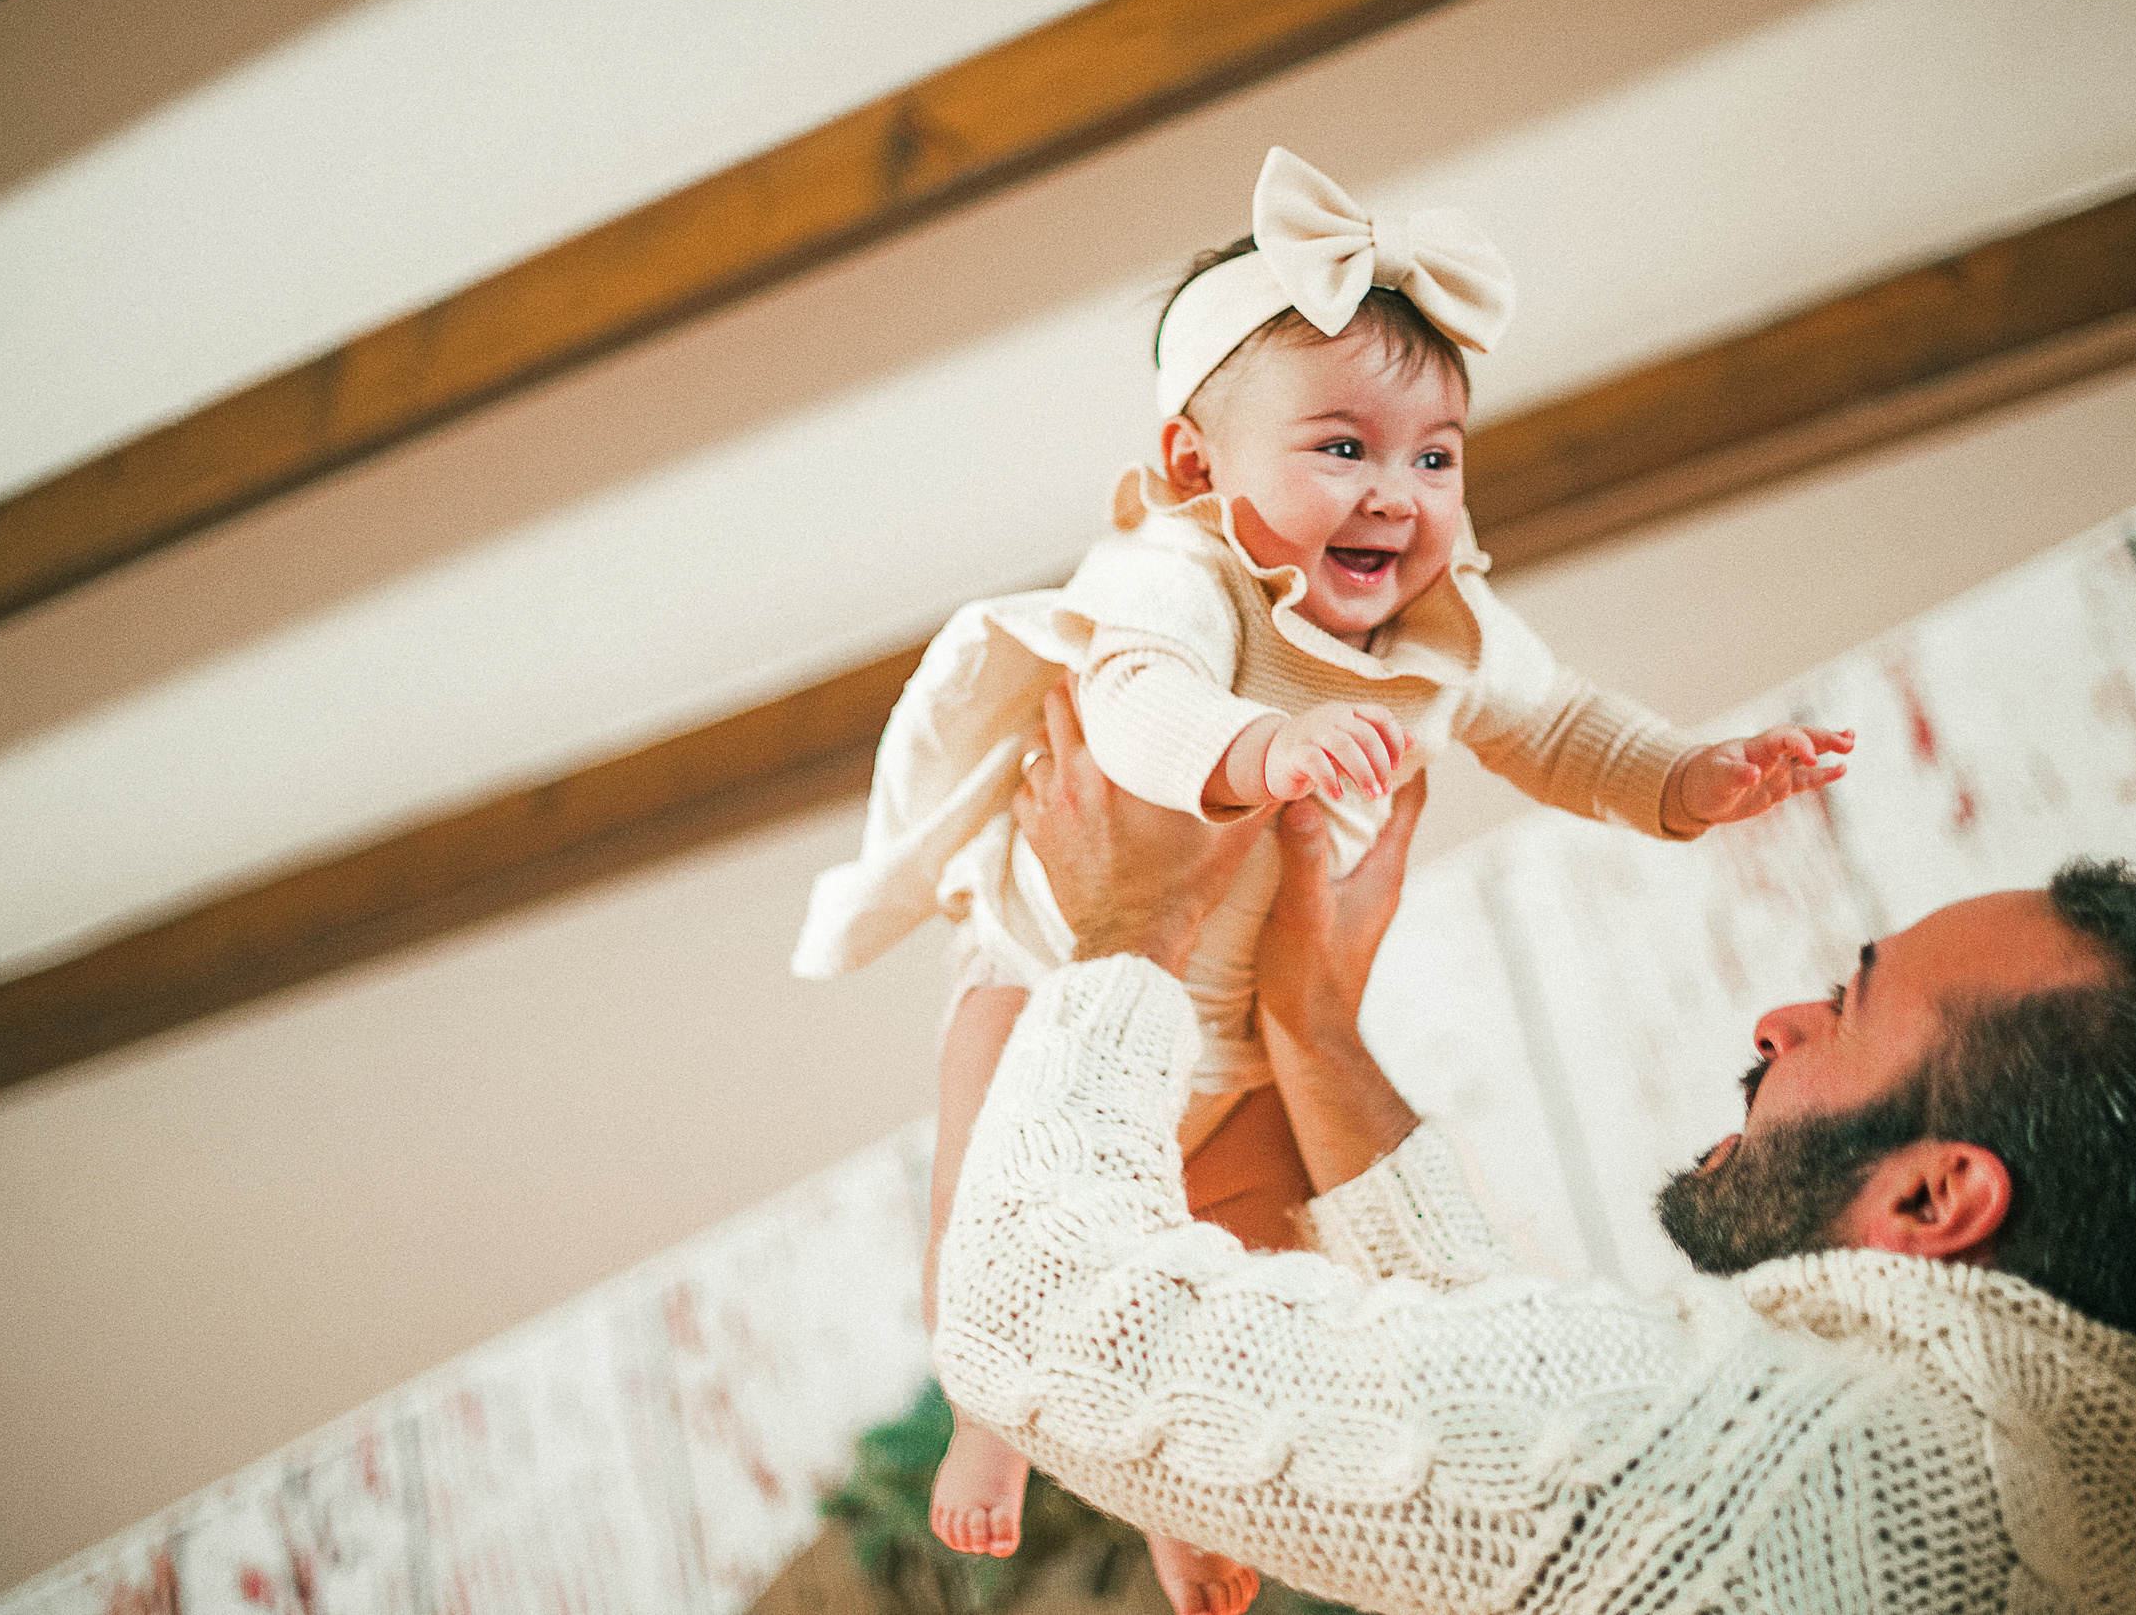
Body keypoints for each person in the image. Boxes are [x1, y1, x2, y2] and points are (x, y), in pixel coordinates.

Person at [791, 147, 1848, 1605]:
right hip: (1057, 974)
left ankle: (1192, 1502)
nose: (1397, 496)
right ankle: (990, 1420)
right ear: (1191, 466)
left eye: (1434, 455)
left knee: (1260, 1240)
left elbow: (1557, 726)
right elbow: (1133, 702)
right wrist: (1258, 746)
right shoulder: (1177, 576)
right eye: (1342, 447)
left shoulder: (1447, 626)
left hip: (1234, 1048)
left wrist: (1681, 778)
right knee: (993, 1183)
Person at [929, 678, 2136, 1615]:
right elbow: (1562, 1440)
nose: (1781, 1018)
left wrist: (1126, 926)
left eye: (1848, 1005)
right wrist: (1311, 1024)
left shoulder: (1863, 1468)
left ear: (1937, 1194)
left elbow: (1035, 1320)